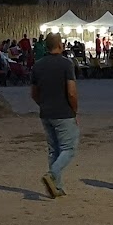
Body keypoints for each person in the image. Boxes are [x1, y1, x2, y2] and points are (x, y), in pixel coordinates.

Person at [30, 35, 79, 199]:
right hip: (63, 112)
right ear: (59, 44)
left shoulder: (37, 65)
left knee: (53, 150)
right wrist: (74, 110)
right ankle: (52, 175)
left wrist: (42, 104)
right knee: (68, 148)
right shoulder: (66, 64)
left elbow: (34, 92)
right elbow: (71, 92)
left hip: (46, 112)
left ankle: (57, 186)